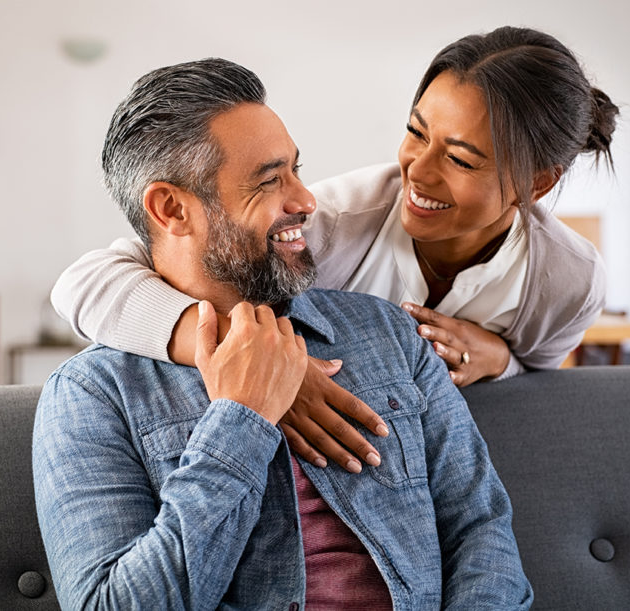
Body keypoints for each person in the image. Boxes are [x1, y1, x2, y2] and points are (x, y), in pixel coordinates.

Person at [33, 57, 532, 609]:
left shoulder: (390, 332)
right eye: (270, 180)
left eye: (296, 169)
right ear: (172, 208)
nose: (306, 200)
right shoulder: (93, 395)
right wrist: (239, 421)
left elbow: (481, 530)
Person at [50, 26, 619, 472]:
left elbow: (540, 384)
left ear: (537, 183)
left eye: (461, 158)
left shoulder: (568, 280)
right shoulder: (333, 222)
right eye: (416, 132)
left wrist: (502, 361)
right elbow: (86, 282)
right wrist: (257, 361)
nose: (416, 172)